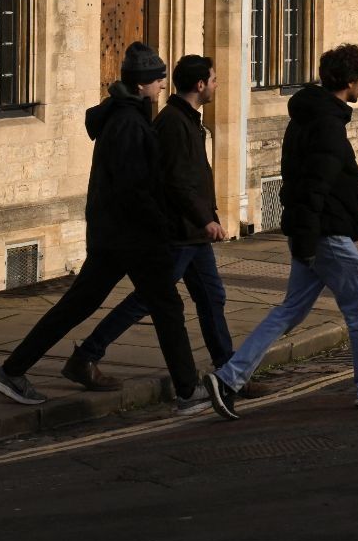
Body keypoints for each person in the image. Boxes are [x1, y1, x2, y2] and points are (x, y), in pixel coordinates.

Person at [0, 43, 213, 416]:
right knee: (167, 308)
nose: (161, 87)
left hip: (114, 236)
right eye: (157, 81)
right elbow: (133, 188)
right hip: (133, 237)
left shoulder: (124, 117)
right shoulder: (128, 123)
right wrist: (160, 224)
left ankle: (11, 371)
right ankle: (188, 392)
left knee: (77, 306)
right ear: (142, 85)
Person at [205, 44, 358, 416]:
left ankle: (228, 378)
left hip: (311, 232)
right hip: (327, 235)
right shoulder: (328, 125)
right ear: (348, 81)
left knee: (290, 311)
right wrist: (309, 239)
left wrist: (302, 237)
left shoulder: (305, 117)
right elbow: (315, 186)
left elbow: (295, 182)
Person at [60, 55, 271, 397]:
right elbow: (174, 182)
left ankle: (229, 372)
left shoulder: (184, 119)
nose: (217, 85)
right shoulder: (173, 123)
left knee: (212, 297)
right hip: (178, 233)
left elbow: (193, 177)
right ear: (200, 85)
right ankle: (86, 355)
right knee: (149, 300)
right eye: (214, 79)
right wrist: (206, 219)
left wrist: (208, 216)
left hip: (193, 234)